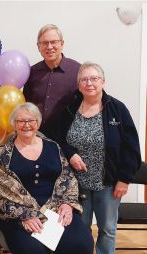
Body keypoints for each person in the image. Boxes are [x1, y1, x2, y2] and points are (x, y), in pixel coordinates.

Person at [56, 62, 141, 254]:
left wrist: (124, 179)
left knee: (107, 230)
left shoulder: (117, 109)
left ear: (103, 82)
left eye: (94, 79)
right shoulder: (70, 110)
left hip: (109, 184)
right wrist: (71, 154)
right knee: (80, 230)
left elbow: (131, 147)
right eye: (84, 79)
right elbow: (58, 139)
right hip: (77, 184)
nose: (89, 83)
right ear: (78, 85)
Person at [0, 102, 94, 254]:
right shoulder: (4, 154)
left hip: (56, 212)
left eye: (31, 120)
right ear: (14, 124)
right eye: (21, 121)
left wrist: (68, 205)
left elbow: (68, 179)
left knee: (81, 245)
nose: (27, 125)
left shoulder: (54, 147)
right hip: (19, 216)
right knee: (33, 250)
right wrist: (25, 216)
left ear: (38, 123)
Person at [23, 24, 80, 138]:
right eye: (44, 43)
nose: (49, 47)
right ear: (38, 46)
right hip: (37, 138)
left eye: (53, 42)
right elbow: (26, 105)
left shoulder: (78, 71)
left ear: (62, 44)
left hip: (68, 141)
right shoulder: (31, 73)